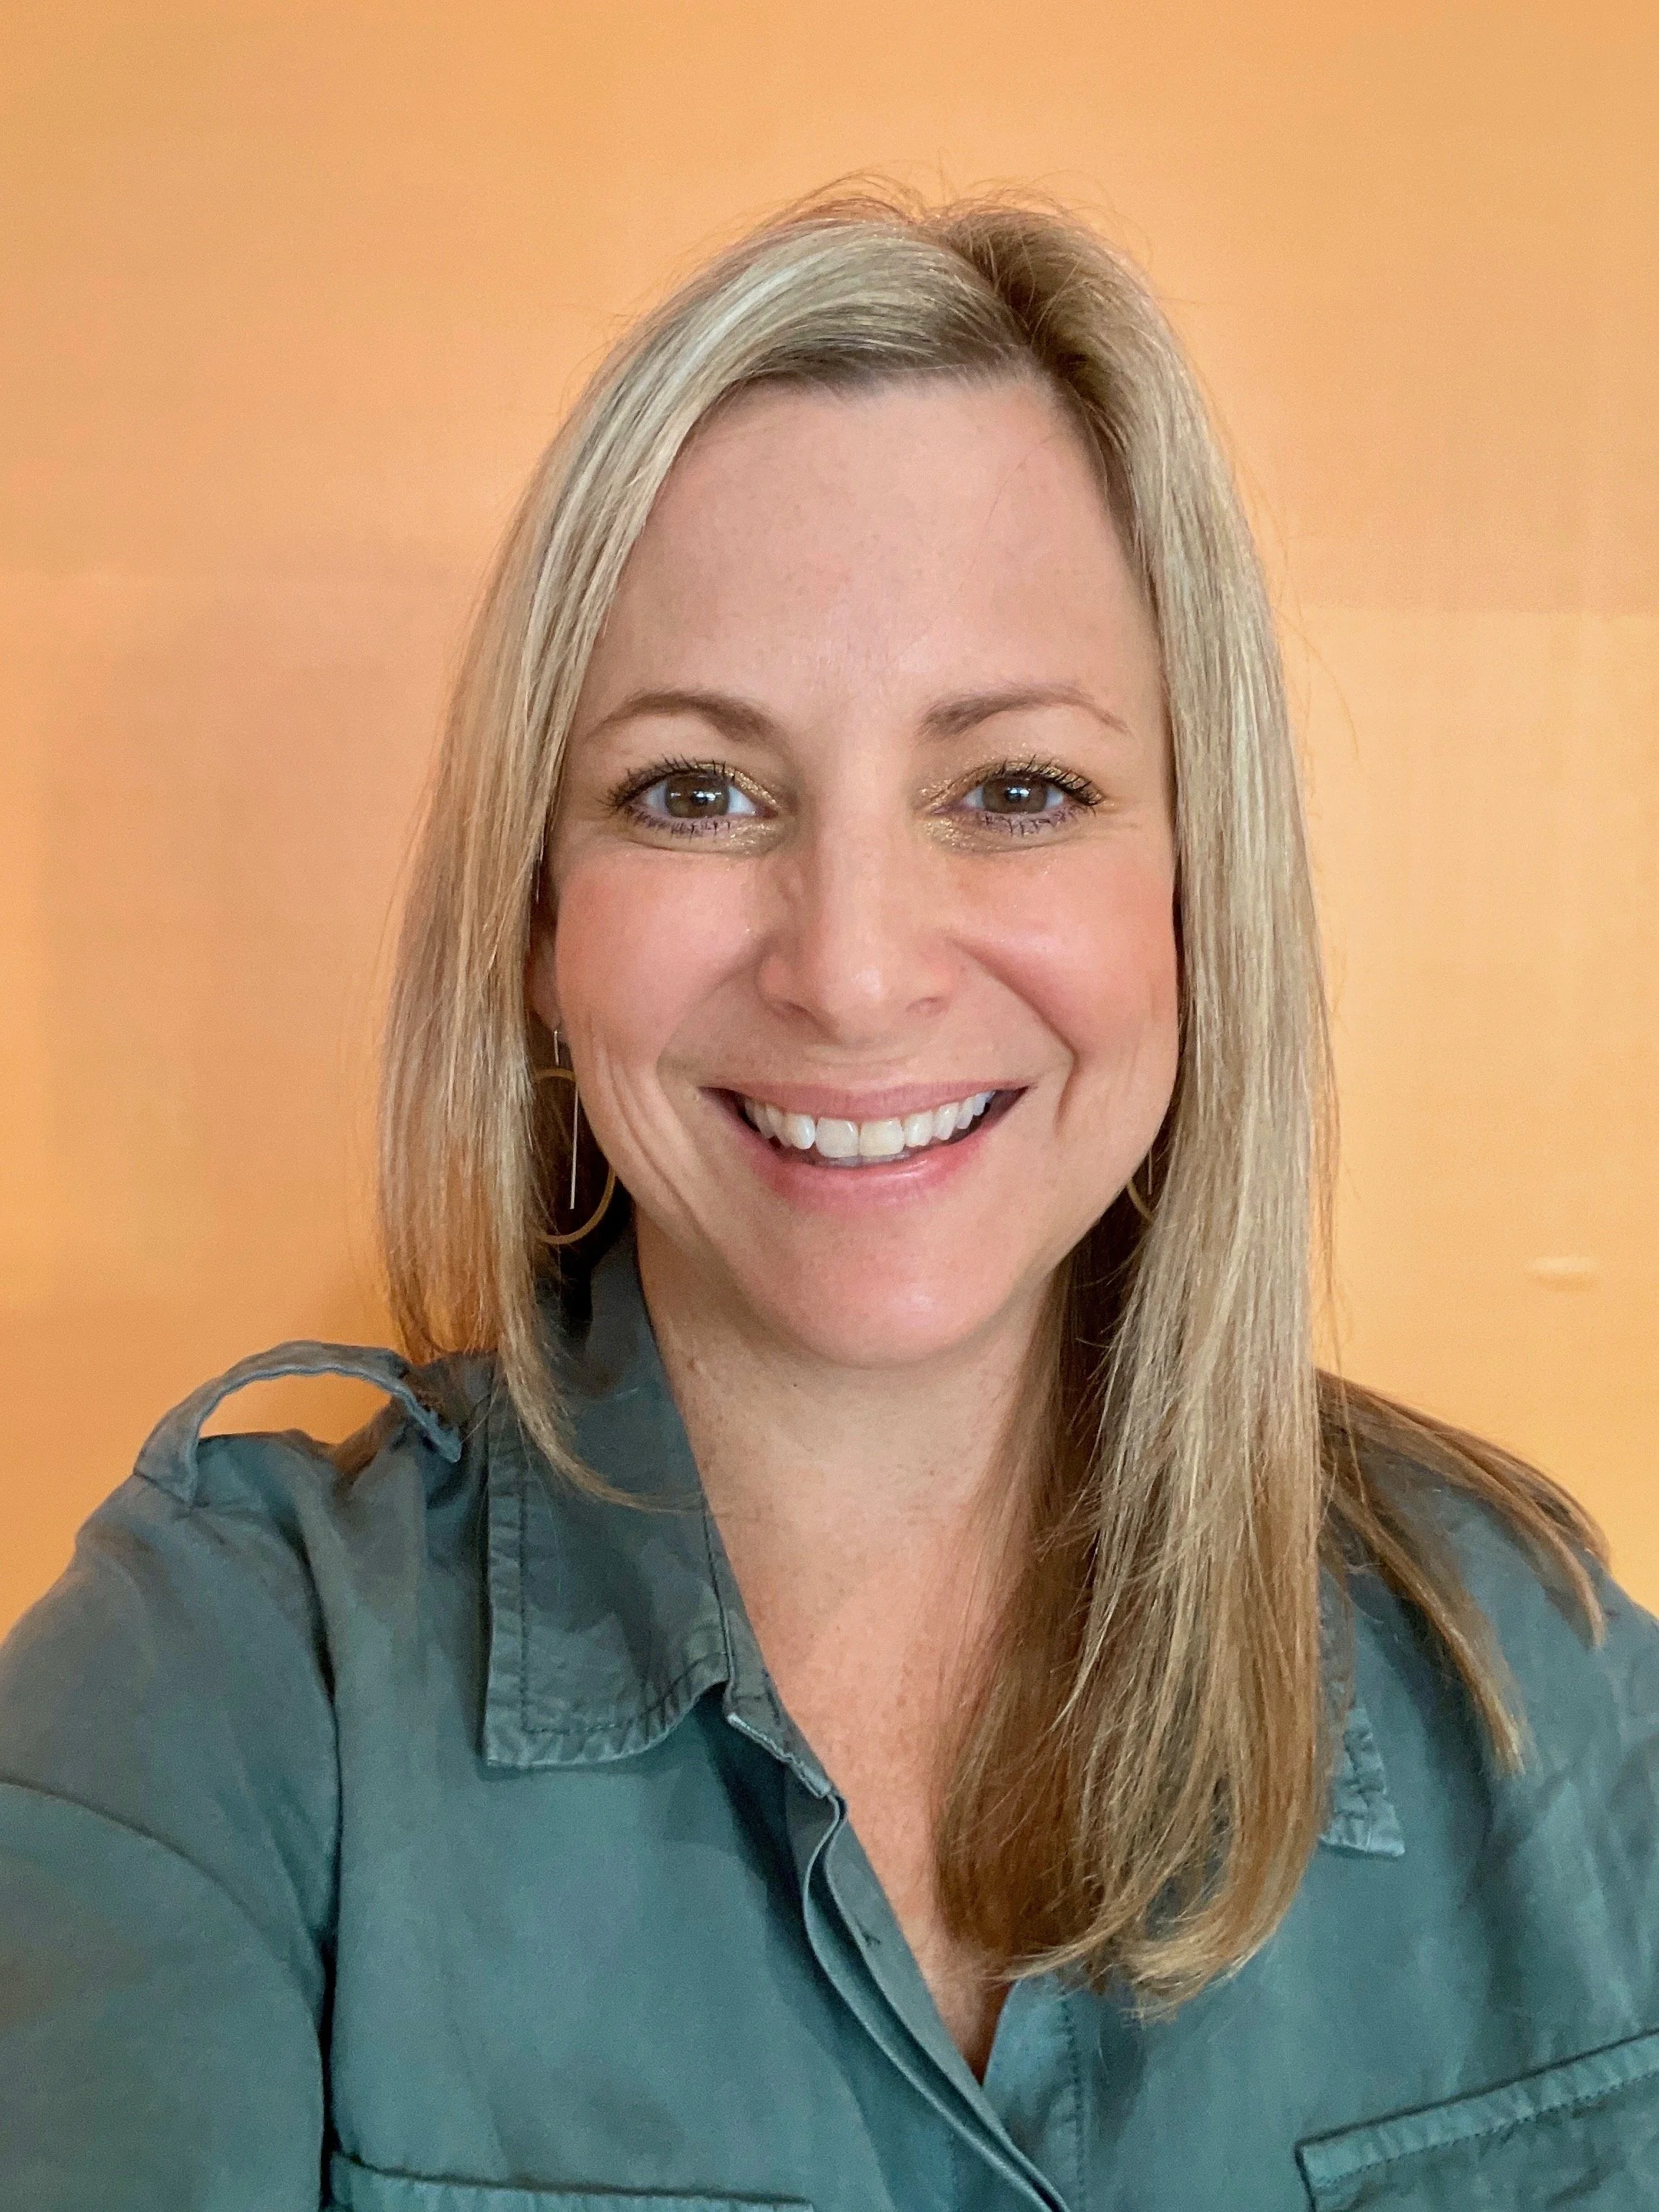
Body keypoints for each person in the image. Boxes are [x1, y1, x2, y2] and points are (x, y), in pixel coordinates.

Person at [2, 188, 1655, 2212]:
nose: (851, 968)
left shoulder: (1537, 1675)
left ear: (1190, 894)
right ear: (540, 923)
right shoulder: (223, 1704)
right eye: (694, 793)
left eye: (1013, 789)